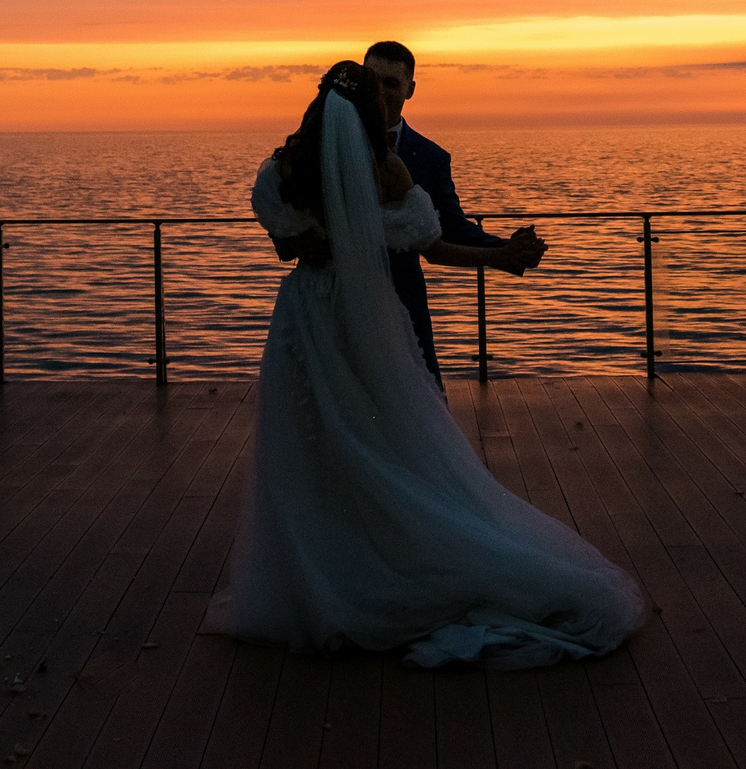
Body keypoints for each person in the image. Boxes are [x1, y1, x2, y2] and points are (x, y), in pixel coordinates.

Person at [204, 64, 645, 667]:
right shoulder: (387, 173)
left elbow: (284, 237)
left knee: (308, 443)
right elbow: (431, 244)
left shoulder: (283, 169)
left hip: (305, 314)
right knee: (386, 441)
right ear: (364, 111)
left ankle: (325, 569)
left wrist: (312, 245)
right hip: (365, 315)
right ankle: (386, 557)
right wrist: (503, 258)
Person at [263, 42, 545, 381]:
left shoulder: (429, 157)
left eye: (392, 84)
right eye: (374, 81)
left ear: (410, 89)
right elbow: (283, 208)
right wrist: (291, 245)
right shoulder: (311, 152)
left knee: (421, 395)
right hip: (327, 305)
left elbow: (449, 229)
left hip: (401, 302)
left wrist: (507, 251)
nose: (381, 92)